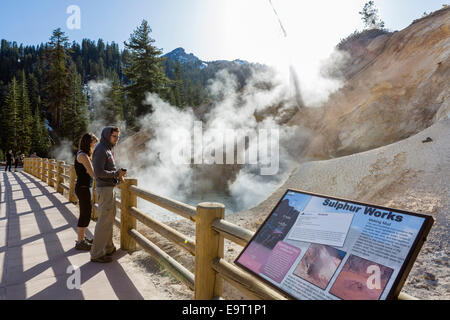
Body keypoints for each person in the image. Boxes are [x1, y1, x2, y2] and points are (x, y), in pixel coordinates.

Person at [90, 126, 126, 263]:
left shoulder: (107, 148)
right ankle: (97, 254)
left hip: (108, 188)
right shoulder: (100, 150)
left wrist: (117, 175)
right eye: (114, 136)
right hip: (104, 189)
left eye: (118, 136)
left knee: (108, 219)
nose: (116, 139)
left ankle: (108, 247)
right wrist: (116, 174)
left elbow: (107, 169)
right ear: (107, 136)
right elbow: (98, 172)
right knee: (104, 221)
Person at [74, 133, 99, 251]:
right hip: (83, 188)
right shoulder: (83, 156)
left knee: (86, 213)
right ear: (88, 143)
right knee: (85, 214)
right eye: (94, 142)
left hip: (83, 187)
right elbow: (92, 173)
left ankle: (82, 238)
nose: (95, 145)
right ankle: (80, 242)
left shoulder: (82, 154)